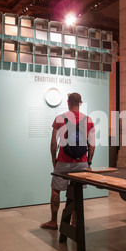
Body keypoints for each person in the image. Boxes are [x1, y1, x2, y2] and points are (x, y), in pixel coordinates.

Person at [40, 93, 95, 230]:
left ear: (68, 102)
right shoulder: (88, 120)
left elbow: (54, 143)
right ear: (80, 103)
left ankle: (53, 221)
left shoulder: (60, 118)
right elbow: (92, 146)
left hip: (63, 161)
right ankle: (74, 221)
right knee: (76, 192)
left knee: (56, 190)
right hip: (81, 162)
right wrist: (89, 163)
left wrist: (54, 160)